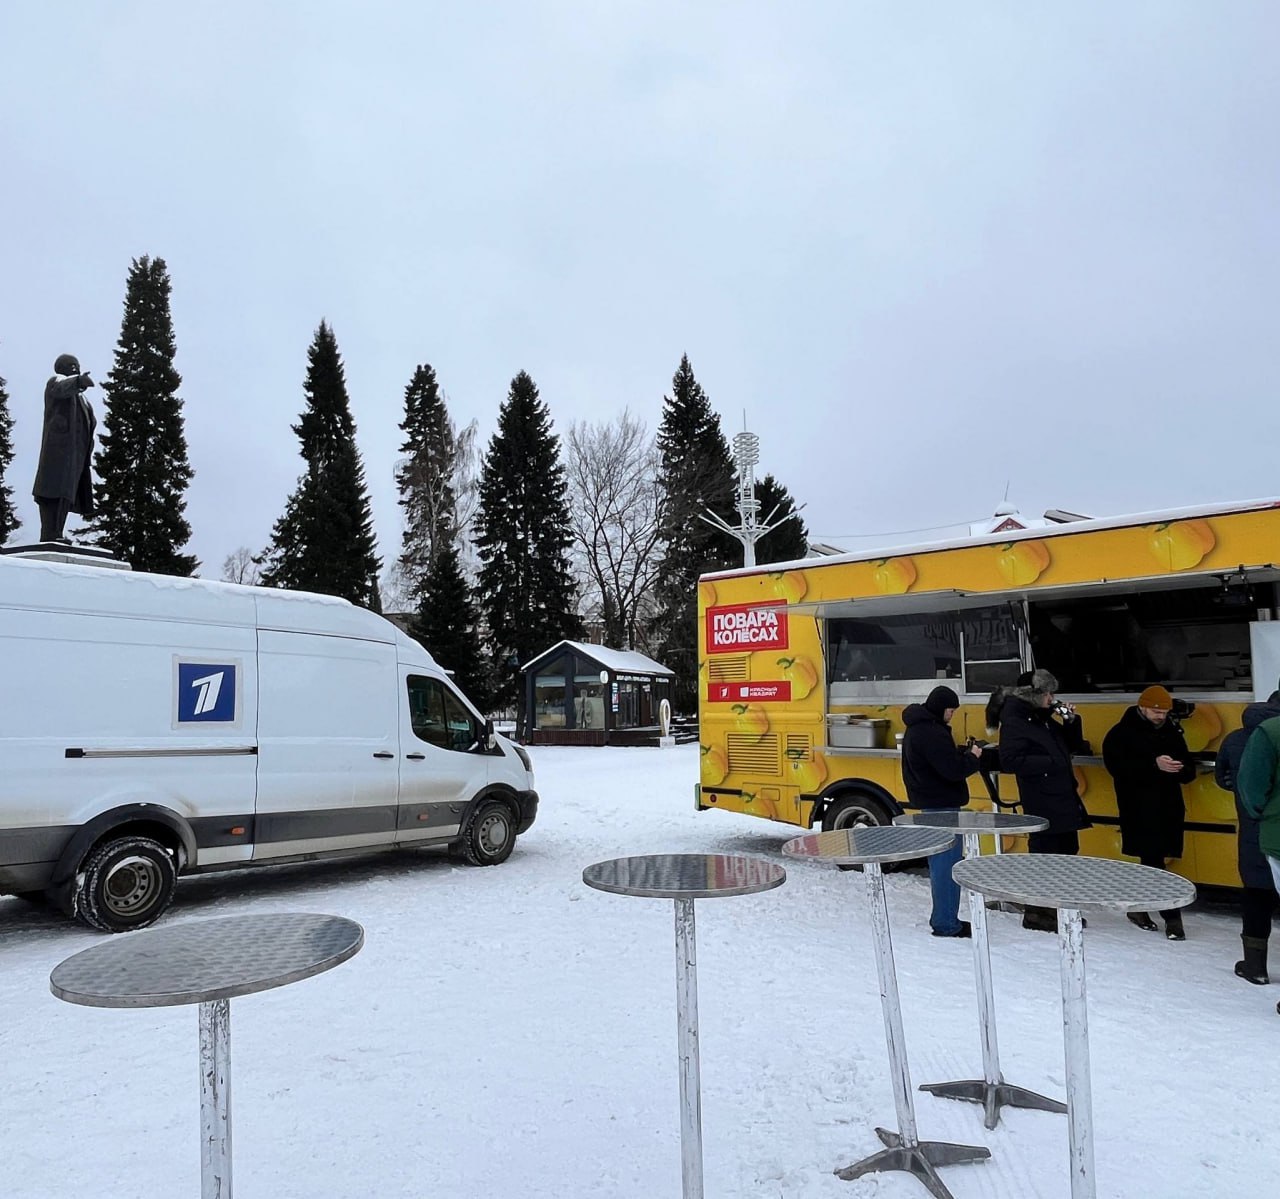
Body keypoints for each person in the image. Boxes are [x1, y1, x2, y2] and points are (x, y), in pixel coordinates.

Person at [994, 668, 1089, 932]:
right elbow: (1010, 760)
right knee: (1046, 856)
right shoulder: (1015, 719)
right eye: (1048, 693)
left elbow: (1072, 745)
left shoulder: (1041, 718)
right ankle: (1038, 913)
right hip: (1042, 798)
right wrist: (1050, 763)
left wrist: (1071, 721)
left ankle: (1057, 908)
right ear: (1032, 695)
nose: (1052, 698)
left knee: (1067, 853)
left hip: (1061, 795)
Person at [1101, 686, 1196, 939]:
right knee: (1154, 862)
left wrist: (1179, 768)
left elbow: (1189, 770)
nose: (1160, 716)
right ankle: (1171, 917)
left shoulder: (1171, 732)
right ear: (1142, 706)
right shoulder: (1120, 734)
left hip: (1168, 806)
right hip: (1139, 807)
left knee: (1153, 862)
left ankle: (1141, 908)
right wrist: (1154, 765)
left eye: (1164, 711)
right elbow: (1117, 768)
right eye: (1156, 710)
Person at [901, 684, 983, 938]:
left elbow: (937, 762)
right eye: (951, 710)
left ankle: (944, 919)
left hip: (929, 802)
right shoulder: (932, 732)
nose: (952, 715)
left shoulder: (917, 727)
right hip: (942, 805)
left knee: (940, 863)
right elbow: (951, 770)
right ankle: (947, 923)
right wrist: (973, 757)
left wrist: (958, 753)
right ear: (940, 708)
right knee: (946, 865)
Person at [1216, 686, 1280, 983]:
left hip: (1253, 827)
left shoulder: (1235, 739)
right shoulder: (1272, 734)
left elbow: (1223, 778)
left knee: (1256, 894)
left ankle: (1256, 967)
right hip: (1274, 826)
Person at [1238, 712, 1280, 1015]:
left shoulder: (1269, 733)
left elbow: (1250, 787)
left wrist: (1267, 814)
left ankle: (1255, 966)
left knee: (1257, 893)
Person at [32, 353, 97, 543]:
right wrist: (78, 381)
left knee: (66, 494)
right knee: (51, 490)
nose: (75, 368)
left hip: (76, 456)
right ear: (60, 367)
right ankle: (49, 534)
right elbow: (61, 389)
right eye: (71, 365)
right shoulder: (56, 382)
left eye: (77, 365)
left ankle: (56, 533)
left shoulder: (84, 401)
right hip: (57, 452)